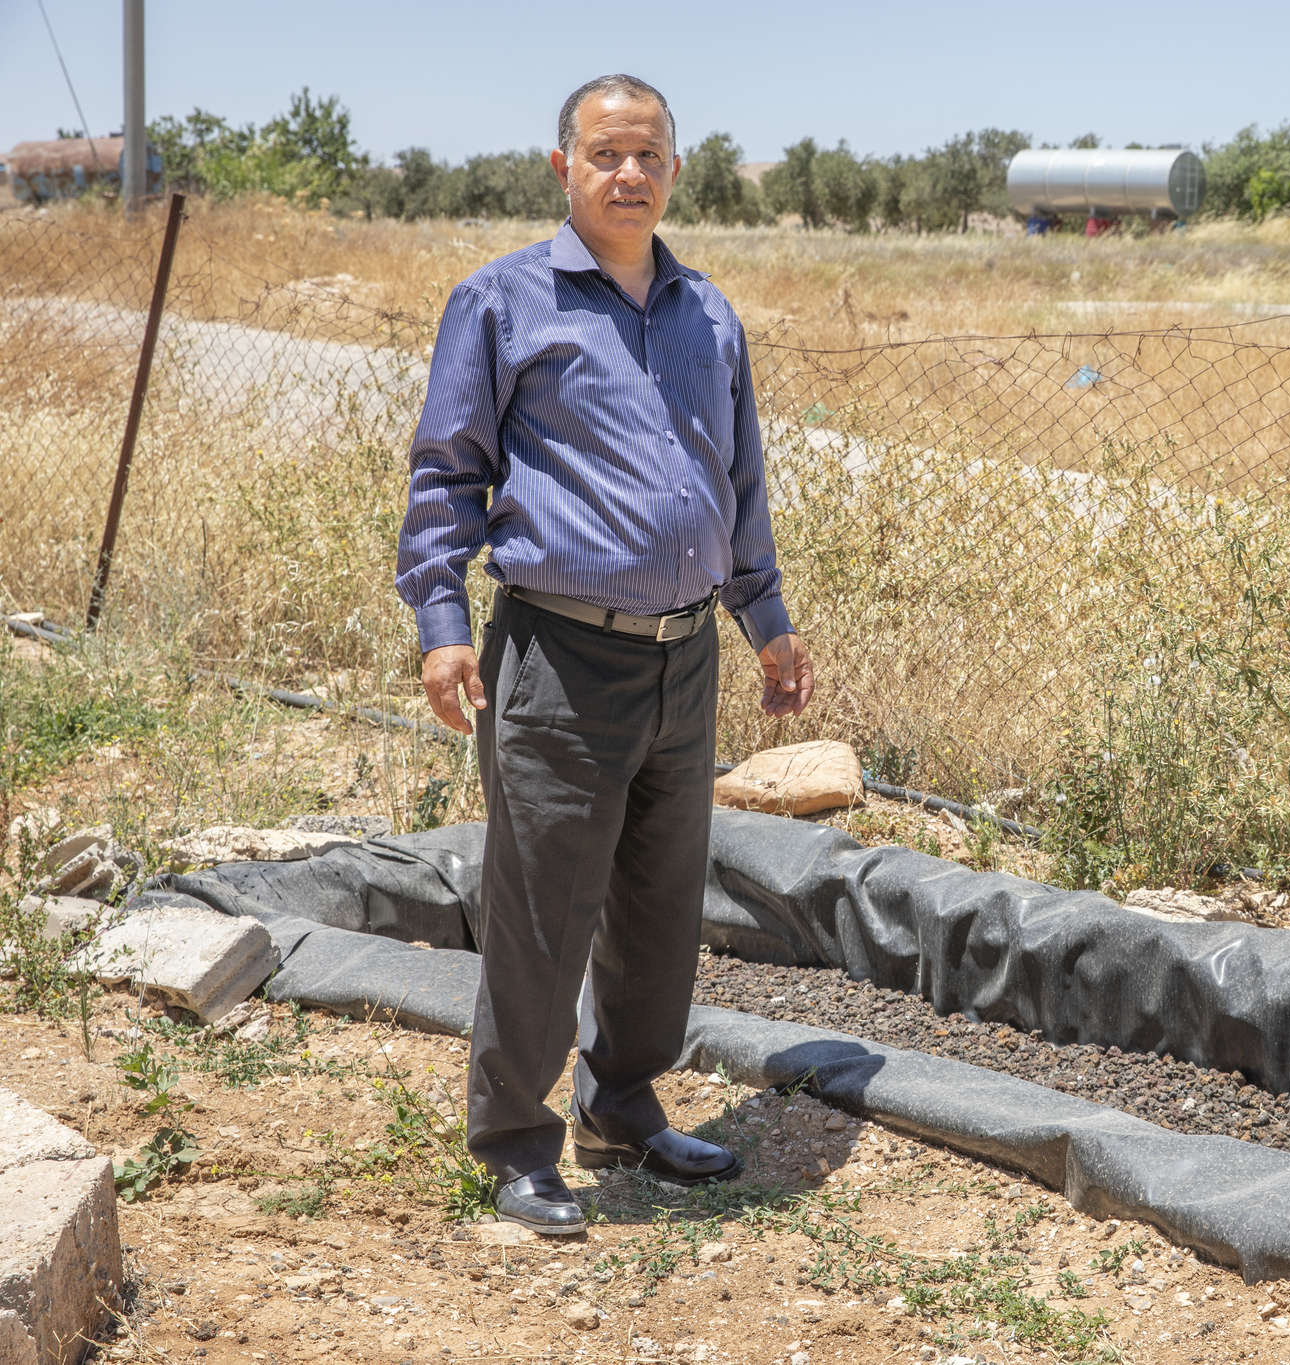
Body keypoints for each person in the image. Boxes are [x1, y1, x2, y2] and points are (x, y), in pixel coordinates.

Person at [394, 73, 813, 1234]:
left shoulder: (705, 312)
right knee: (542, 907)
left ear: (675, 169)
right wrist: (439, 626)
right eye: (605, 154)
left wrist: (766, 623)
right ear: (562, 168)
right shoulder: (502, 303)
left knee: (658, 901)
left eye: (649, 155)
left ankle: (623, 1102)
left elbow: (738, 486)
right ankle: (516, 1140)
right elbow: (446, 478)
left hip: (686, 662)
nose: (628, 174)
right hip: (560, 658)